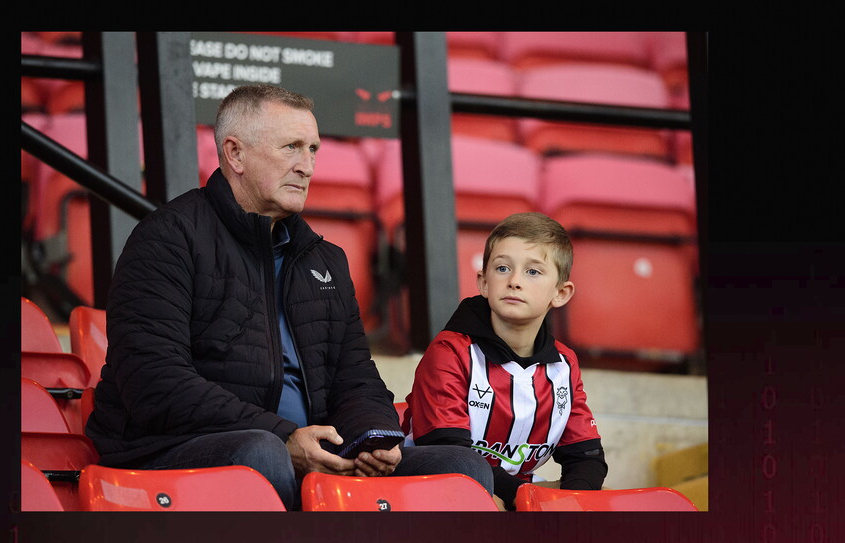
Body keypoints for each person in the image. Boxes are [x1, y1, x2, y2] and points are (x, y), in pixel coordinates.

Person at [85, 84, 493, 511]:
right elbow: (154, 382)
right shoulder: (167, 238)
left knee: (463, 467)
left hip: (306, 450)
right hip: (173, 450)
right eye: (292, 148)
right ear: (235, 154)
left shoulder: (326, 258)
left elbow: (356, 378)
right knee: (262, 455)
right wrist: (283, 436)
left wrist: (369, 437)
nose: (308, 167)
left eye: (313, 150)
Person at [400, 212, 608, 511]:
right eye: (502, 268)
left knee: (600, 501)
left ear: (561, 293)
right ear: (484, 283)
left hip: (513, 491)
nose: (514, 281)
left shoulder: (564, 364)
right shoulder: (451, 350)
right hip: (432, 485)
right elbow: (451, 454)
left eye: (533, 272)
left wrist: (572, 503)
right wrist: (525, 499)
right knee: (485, 502)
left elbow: (586, 457)